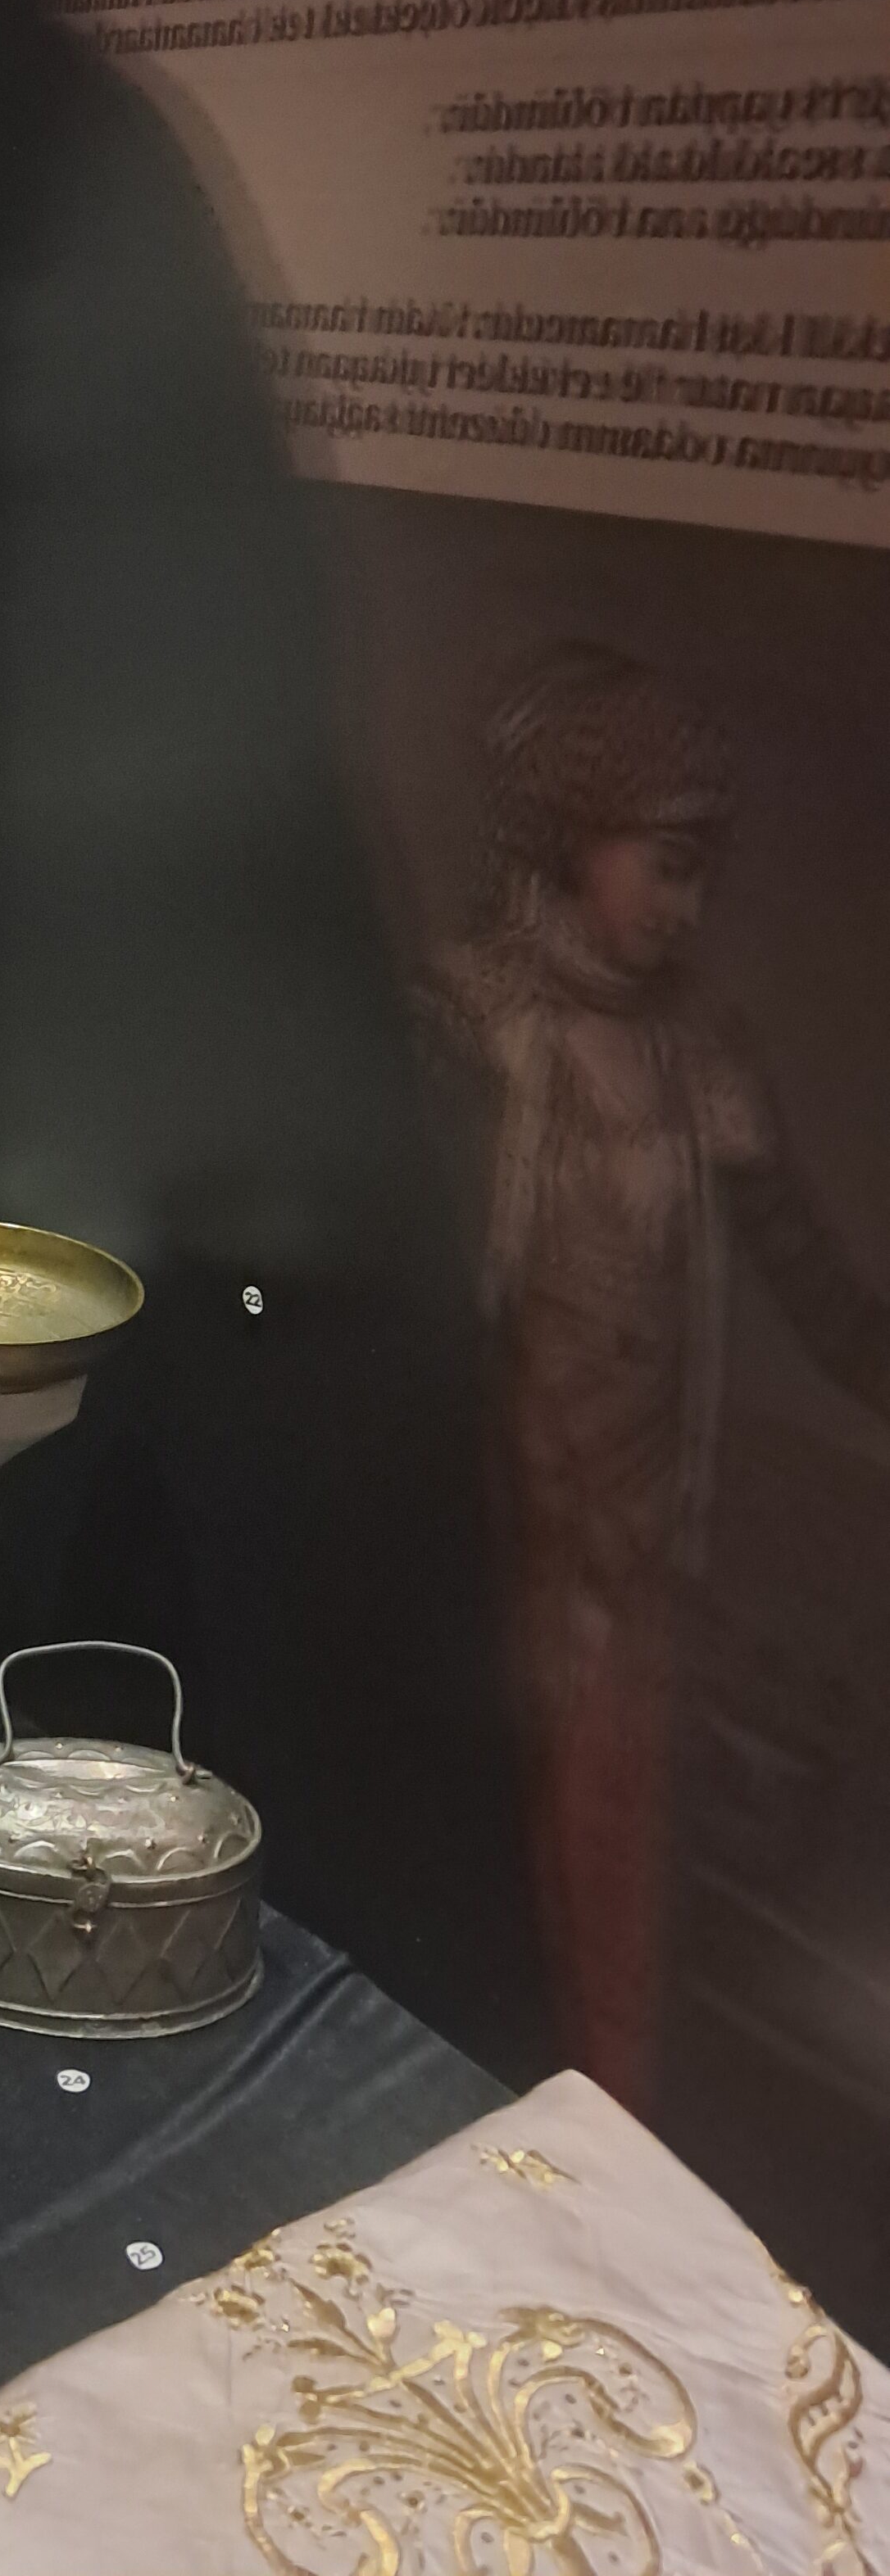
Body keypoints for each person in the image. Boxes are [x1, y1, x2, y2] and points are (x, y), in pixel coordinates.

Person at [418, 640, 890, 2108]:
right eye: (665, 866)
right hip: (486, 1533)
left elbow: (812, 1282)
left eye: (703, 876)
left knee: (610, 1896)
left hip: (624, 1562)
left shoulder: (701, 1064)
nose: (686, 908)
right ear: (575, 838)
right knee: (461, 1858)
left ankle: (591, 2159)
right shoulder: (476, 1029)